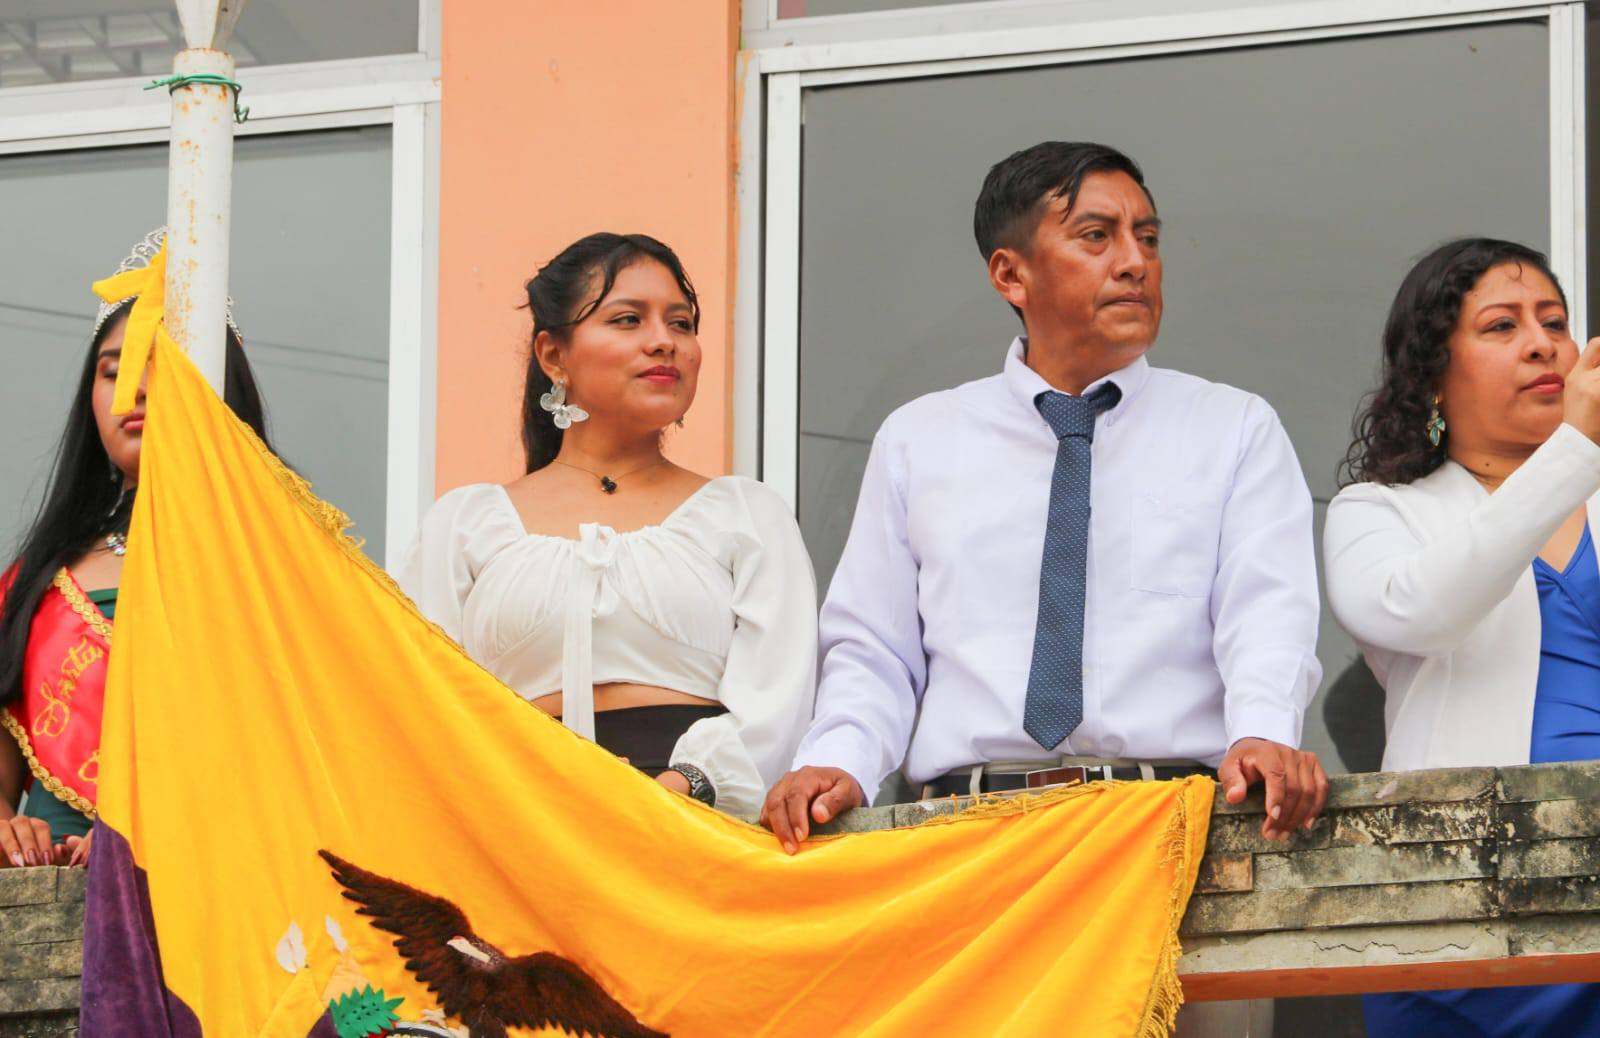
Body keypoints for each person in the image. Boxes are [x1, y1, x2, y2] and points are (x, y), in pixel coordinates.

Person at [762, 141, 1327, 853]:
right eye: (1097, 236)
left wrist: (1265, 732)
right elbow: (875, 648)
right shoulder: (919, 439)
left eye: (1148, 238)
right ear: (1010, 274)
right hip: (963, 839)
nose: (1135, 261)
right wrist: (836, 760)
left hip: (1175, 833)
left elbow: (1267, 614)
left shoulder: (1233, 428)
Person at [397, 233, 817, 820]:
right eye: (627, 319)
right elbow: (424, 698)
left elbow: (779, 694)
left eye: (681, 323)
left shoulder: (746, 513)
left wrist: (685, 787)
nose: (664, 341)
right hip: (521, 820)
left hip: (699, 825)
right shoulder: (465, 523)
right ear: (553, 355)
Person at [1325, 237, 1600, 1036]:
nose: (1542, 343)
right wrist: (1574, 453)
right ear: (1434, 375)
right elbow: (1424, 610)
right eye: (1502, 326)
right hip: (1458, 910)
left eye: (1554, 321)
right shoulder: (1379, 512)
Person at [0, 228, 272, 869]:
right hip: (48, 899)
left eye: (161, 364)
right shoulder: (33, 584)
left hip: (214, 881)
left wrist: (157, 832)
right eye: (113, 371)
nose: (134, 390)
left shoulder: (278, 569)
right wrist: (8, 832)